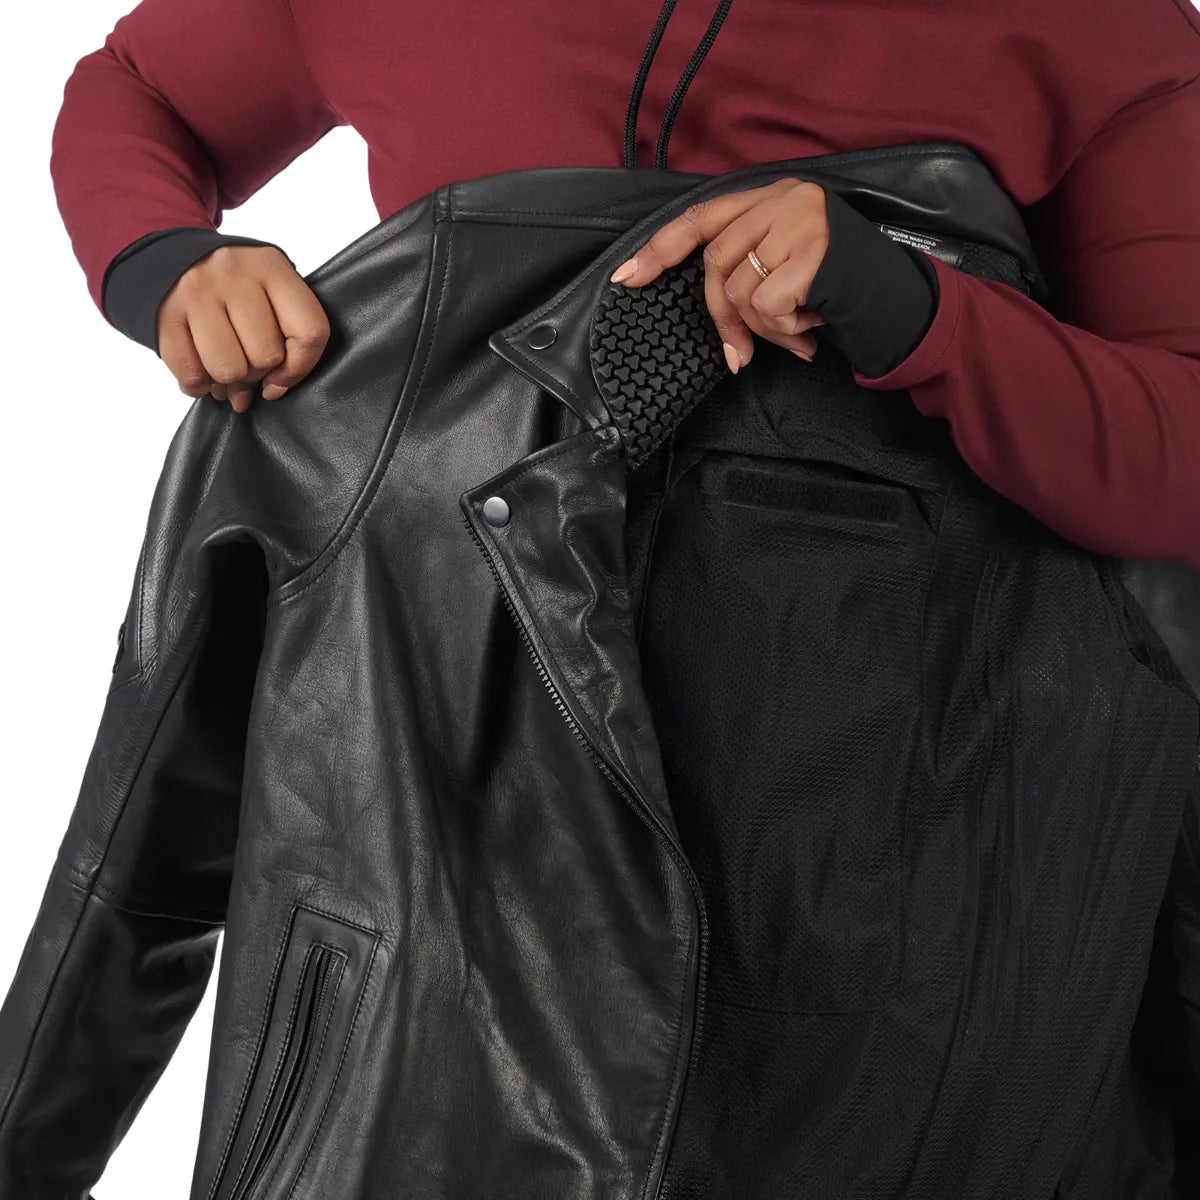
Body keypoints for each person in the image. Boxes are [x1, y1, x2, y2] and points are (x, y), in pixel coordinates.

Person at [44, 0, 1200, 1190]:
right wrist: (166, 262)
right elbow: (145, 90)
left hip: (890, 855)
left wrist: (908, 302)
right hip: (434, 807)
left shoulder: (1090, 24)